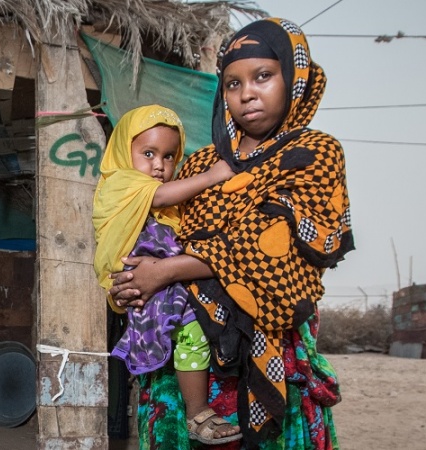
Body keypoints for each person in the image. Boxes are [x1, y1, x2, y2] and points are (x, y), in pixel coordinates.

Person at [110, 18, 353, 450]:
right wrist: (131, 282)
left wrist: (165, 272)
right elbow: (155, 236)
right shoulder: (201, 164)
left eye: (263, 76)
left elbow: (271, 245)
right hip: (187, 363)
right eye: (232, 83)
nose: (247, 93)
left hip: (271, 348)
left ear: (294, 79)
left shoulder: (313, 154)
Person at [94, 104, 239, 444]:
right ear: (122, 151)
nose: (159, 165)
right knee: (192, 331)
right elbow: (159, 197)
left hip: (161, 286)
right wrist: (213, 175)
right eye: (148, 153)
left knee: (192, 334)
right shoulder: (120, 182)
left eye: (170, 156)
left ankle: (196, 411)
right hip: (145, 286)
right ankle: (197, 412)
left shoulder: (173, 204)